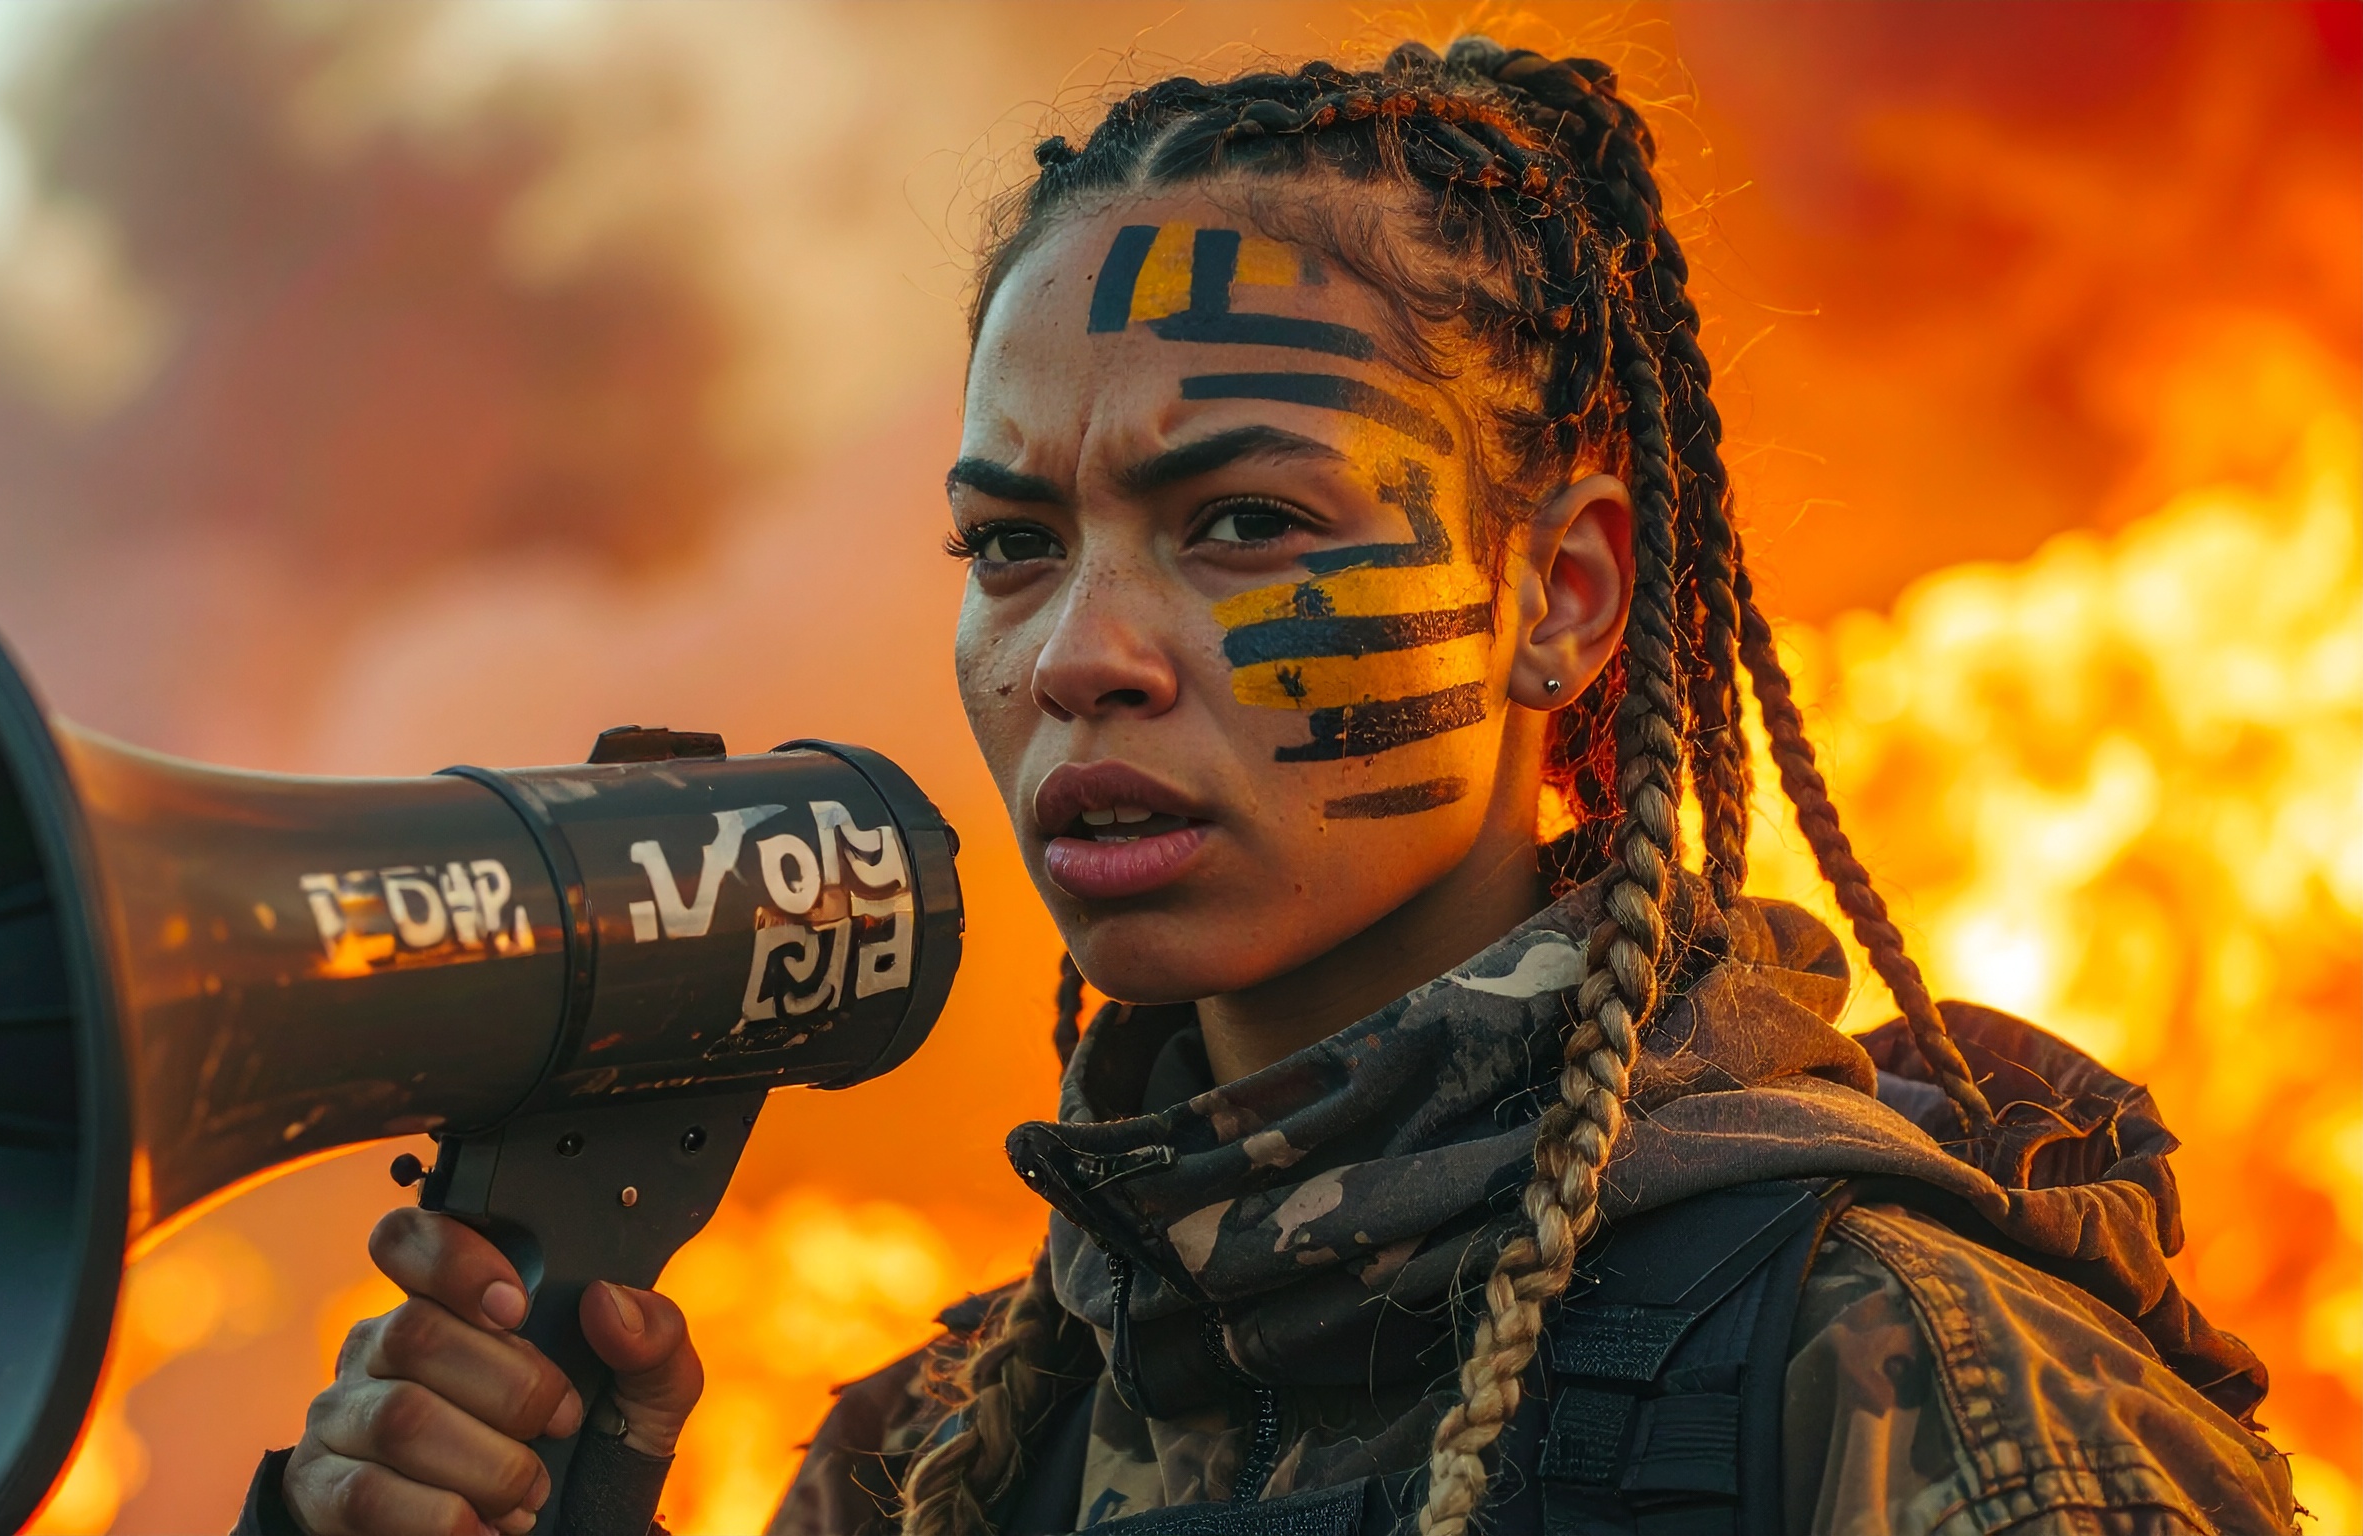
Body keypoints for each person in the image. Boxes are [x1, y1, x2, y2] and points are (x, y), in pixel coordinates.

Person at [243, 38, 2296, 1536]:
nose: (1077, 656)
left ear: (1558, 599)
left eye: (1237, 523)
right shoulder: (934, 1458)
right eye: (1011, 545)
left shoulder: (1896, 1388)